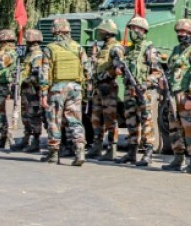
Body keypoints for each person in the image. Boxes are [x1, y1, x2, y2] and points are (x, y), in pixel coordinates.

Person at [112, 16, 162, 167]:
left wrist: (145, 84)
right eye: (132, 28)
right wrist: (118, 66)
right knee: (131, 121)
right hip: (129, 90)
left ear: (143, 31)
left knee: (147, 121)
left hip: (143, 91)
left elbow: (157, 72)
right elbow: (117, 56)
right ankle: (131, 153)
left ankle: (148, 153)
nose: (133, 31)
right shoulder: (130, 50)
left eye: (136, 29)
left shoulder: (149, 49)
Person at [40, 17, 89, 166]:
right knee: (75, 120)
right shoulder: (78, 48)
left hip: (57, 89)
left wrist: (43, 93)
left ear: (56, 31)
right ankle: (80, 150)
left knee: (54, 120)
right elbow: (88, 70)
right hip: (75, 88)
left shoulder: (50, 49)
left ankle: (54, 154)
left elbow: (44, 73)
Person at [162, 19, 191, 174]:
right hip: (173, 94)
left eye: (185, 32)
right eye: (179, 32)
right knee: (174, 128)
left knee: (189, 129)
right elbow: (171, 71)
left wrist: (190, 97)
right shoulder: (176, 50)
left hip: (185, 95)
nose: (182, 35)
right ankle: (178, 158)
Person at [87, 19, 121, 161]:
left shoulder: (116, 48)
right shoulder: (104, 47)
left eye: (102, 31)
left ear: (108, 32)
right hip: (98, 88)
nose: (99, 33)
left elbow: (118, 68)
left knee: (110, 118)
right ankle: (97, 145)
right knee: (96, 118)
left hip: (108, 87)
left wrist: (105, 75)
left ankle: (112, 148)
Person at [17, 29, 47, 152]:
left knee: (34, 116)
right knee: (26, 115)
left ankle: (35, 141)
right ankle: (26, 138)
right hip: (27, 90)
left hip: (33, 91)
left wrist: (26, 80)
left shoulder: (38, 55)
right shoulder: (29, 54)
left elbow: (37, 75)